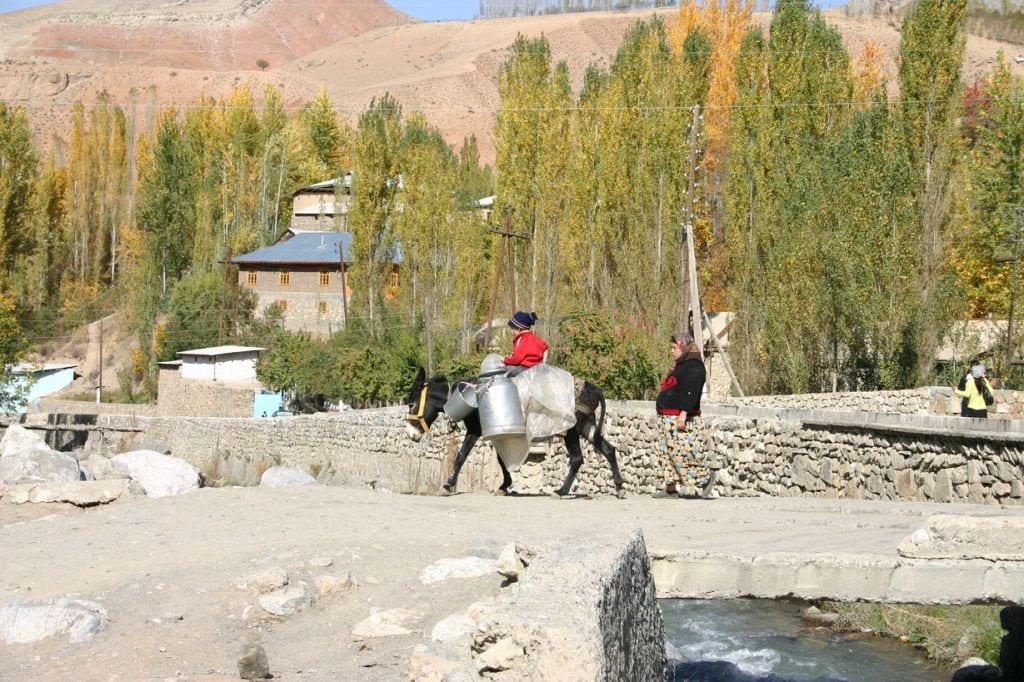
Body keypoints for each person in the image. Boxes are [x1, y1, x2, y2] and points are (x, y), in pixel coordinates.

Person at [655, 332, 709, 498]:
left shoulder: (694, 366)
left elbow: (691, 392)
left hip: (679, 418)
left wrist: (683, 414)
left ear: (683, 346)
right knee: (666, 453)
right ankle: (670, 487)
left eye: (674, 348)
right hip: (667, 417)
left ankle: (703, 480)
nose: (672, 351)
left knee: (683, 453)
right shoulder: (681, 365)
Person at [503, 310, 549, 377]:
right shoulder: (536, 338)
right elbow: (545, 348)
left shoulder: (521, 339)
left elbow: (516, 358)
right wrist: (543, 363)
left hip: (524, 369)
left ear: (518, 329)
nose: (511, 331)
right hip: (537, 369)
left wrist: (505, 359)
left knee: (505, 369)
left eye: (512, 329)